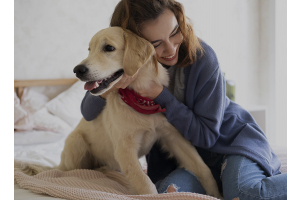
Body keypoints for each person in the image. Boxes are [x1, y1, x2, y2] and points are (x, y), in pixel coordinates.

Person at [80, 0, 287, 199]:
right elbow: (88, 112)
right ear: (133, 45)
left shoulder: (203, 57)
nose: (170, 49)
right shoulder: (121, 70)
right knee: (167, 194)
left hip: (231, 144)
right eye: (156, 43)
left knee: (245, 193)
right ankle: (223, 180)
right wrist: (111, 86)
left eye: (174, 32)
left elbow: (207, 137)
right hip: (188, 160)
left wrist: (161, 95)